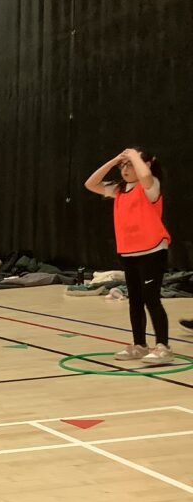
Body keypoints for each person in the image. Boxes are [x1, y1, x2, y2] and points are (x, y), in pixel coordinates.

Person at [84, 148, 174, 364]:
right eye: (123, 166)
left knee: (151, 298)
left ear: (146, 165)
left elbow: (146, 176)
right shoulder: (119, 190)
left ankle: (163, 347)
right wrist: (115, 160)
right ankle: (140, 345)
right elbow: (90, 183)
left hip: (152, 251)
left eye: (130, 165)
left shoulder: (151, 186)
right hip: (128, 252)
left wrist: (133, 154)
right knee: (135, 300)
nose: (125, 169)